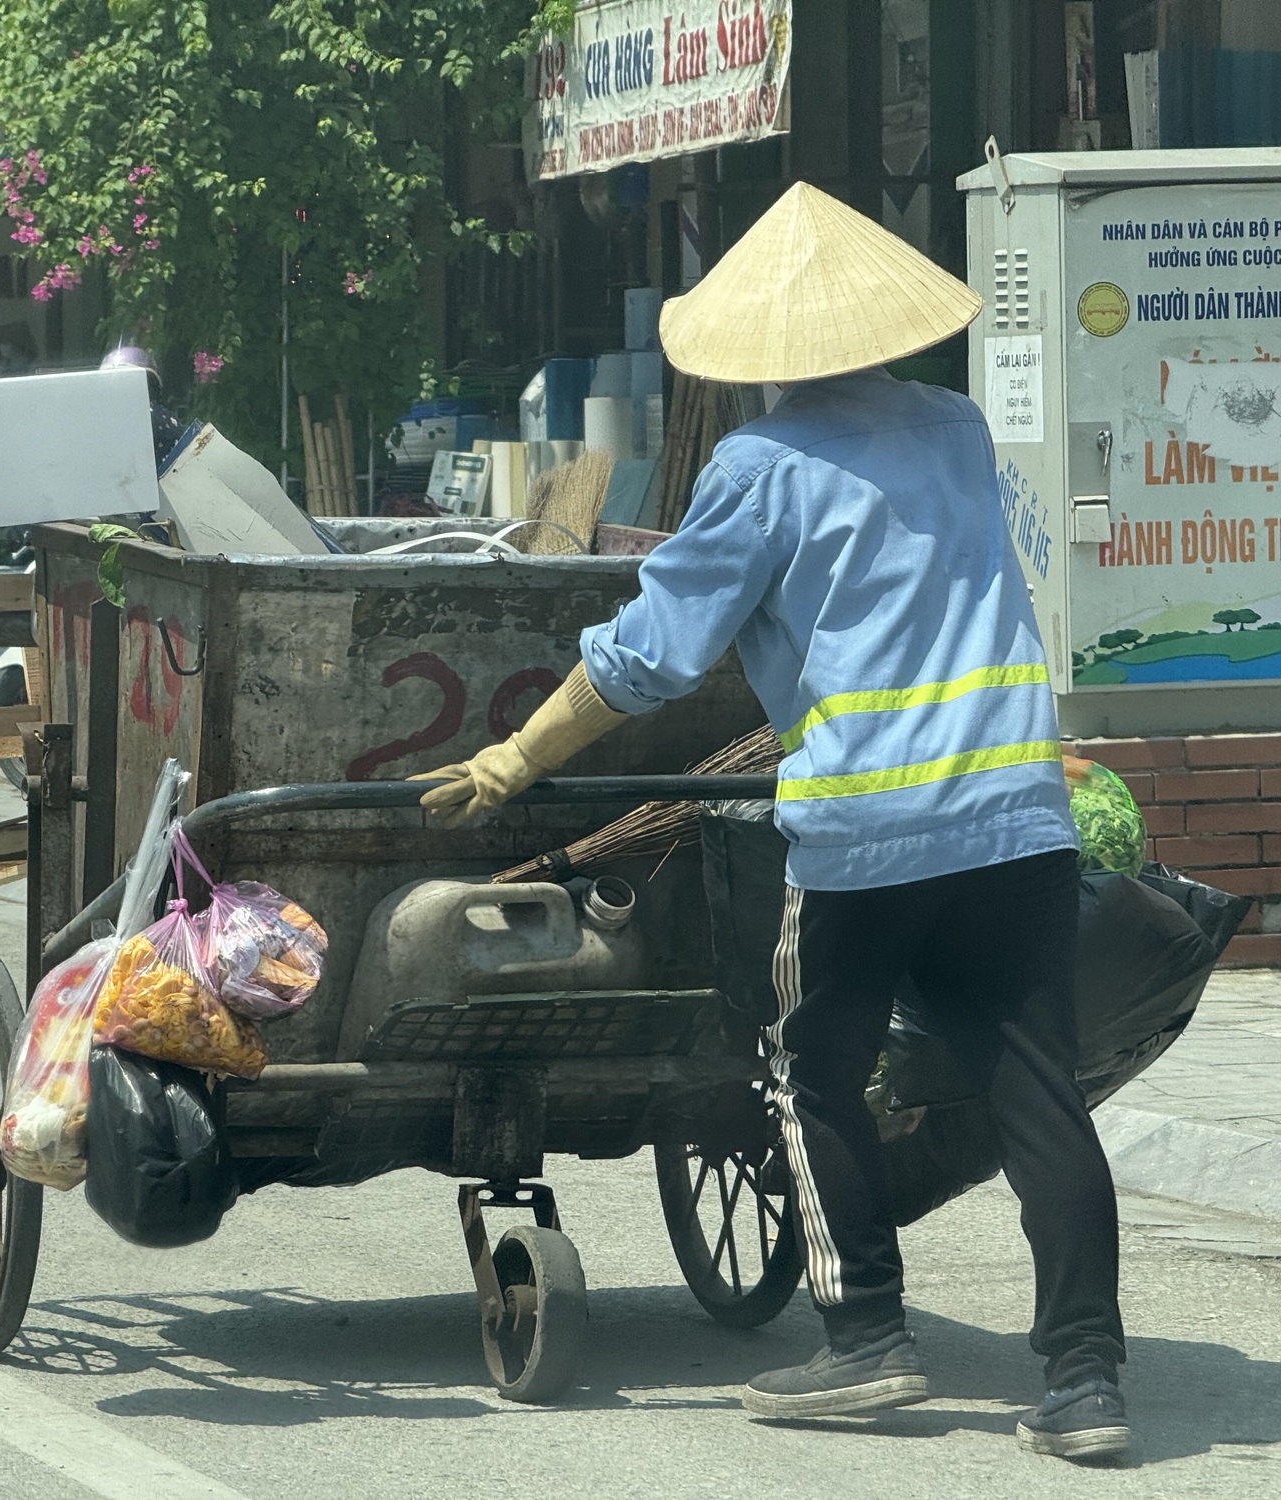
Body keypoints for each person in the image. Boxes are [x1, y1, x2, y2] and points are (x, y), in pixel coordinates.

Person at [416, 182, 1128, 1463]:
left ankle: (864, 1341)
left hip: (867, 827)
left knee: (804, 1072)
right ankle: (1084, 1383)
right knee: (1039, 1088)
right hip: (1017, 809)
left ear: (752, 361)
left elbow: (648, 658)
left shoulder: (755, 468)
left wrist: (518, 753)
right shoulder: (955, 427)